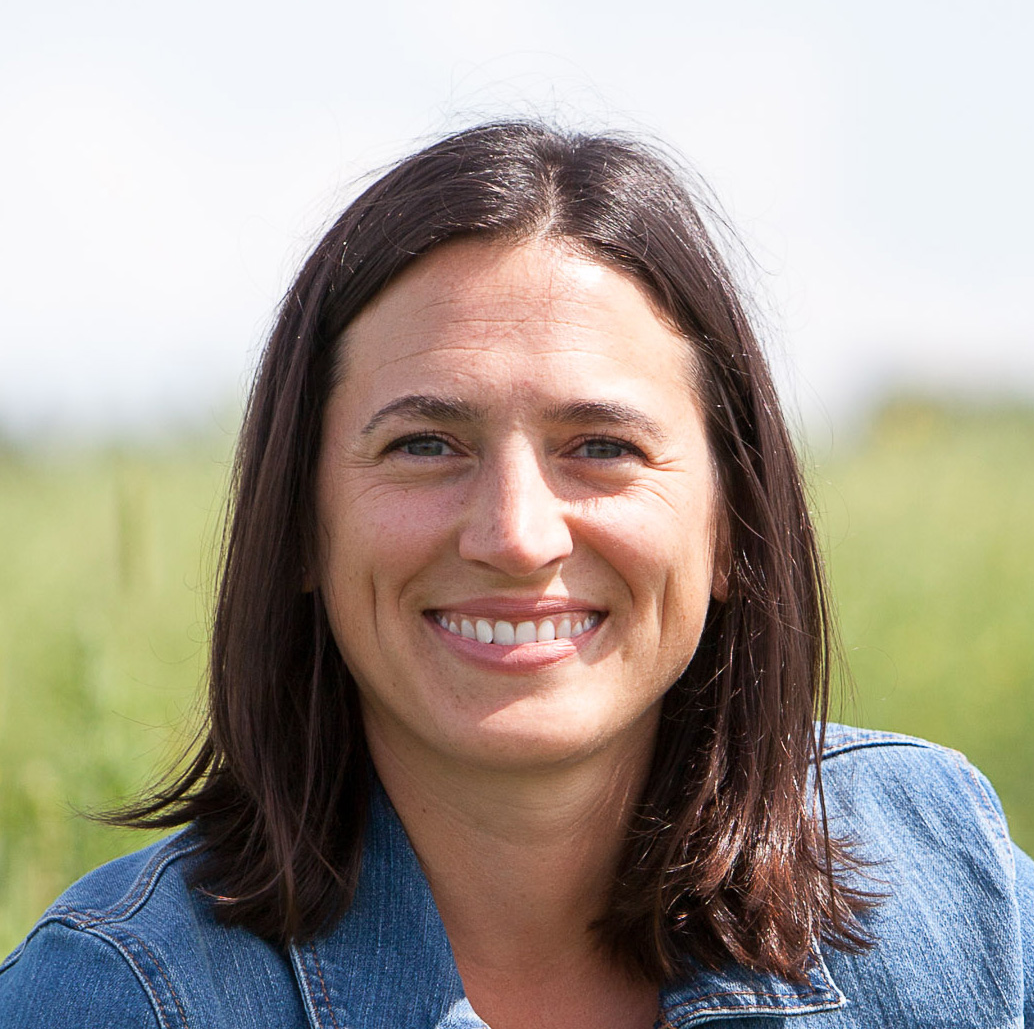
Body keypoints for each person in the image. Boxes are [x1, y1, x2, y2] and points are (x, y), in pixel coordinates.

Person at [1, 121, 1031, 1028]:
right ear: (304, 525)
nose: (515, 533)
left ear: (730, 528)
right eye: (423, 444)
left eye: (601, 445)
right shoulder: (122, 995)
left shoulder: (944, 875)